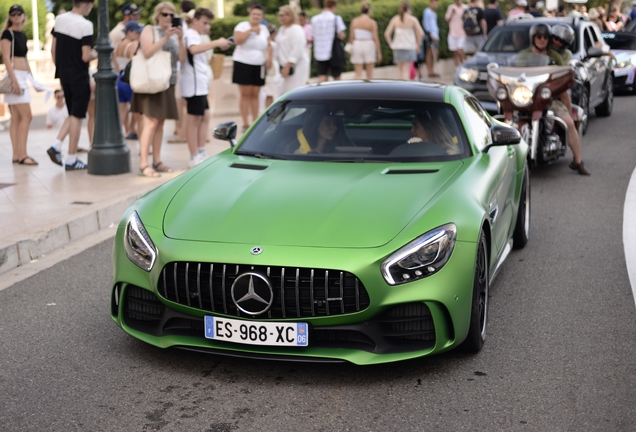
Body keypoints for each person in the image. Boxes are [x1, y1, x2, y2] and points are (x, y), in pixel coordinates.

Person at [521, 24, 590, 175]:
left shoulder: (556, 56)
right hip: (526, 97)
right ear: (533, 38)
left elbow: (564, 75)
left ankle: (578, 161)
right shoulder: (523, 54)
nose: (542, 40)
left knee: (569, 123)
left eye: (545, 37)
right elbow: (514, 71)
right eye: (539, 37)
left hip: (549, 98)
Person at [131, 2, 186, 178]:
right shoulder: (149, 30)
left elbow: (182, 59)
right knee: (150, 123)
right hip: (151, 82)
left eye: (171, 15)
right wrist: (164, 37)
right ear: (157, 16)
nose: (168, 17)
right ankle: (143, 164)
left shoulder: (175, 35)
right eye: (165, 14)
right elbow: (147, 52)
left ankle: (157, 161)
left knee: (160, 122)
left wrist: (179, 38)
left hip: (167, 83)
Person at [48, 0, 97, 170]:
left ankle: (56, 145)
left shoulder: (60, 19)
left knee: (72, 112)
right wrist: (95, 54)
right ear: (84, 4)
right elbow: (85, 56)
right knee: (77, 116)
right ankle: (71, 159)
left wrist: (61, 70)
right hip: (79, 75)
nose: (90, 9)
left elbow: (53, 50)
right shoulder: (86, 25)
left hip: (64, 74)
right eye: (91, 5)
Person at [180, 7, 231, 168]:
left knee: (205, 116)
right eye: (205, 23)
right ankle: (193, 155)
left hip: (200, 84)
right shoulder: (190, 34)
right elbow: (193, 50)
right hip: (193, 84)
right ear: (195, 21)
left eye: (209, 23)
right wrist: (216, 43)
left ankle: (201, 151)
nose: (207, 27)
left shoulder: (197, 35)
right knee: (193, 119)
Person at [2, 5, 37, 165]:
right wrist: (15, 81)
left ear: (24, 16)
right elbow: (7, 59)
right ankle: (23, 154)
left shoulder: (22, 35)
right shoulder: (7, 34)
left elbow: (25, 59)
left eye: (19, 13)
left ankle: (16, 154)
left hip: (23, 76)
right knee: (27, 116)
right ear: (10, 17)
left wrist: (33, 80)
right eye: (13, 13)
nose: (16, 16)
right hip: (15, 77)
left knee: (16, 118)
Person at [233, 3, 269, 132]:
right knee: (245, 94)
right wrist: (250, 31)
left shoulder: (264, 29)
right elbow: (237, 40)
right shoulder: (242, 26)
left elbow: (268, 44)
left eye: (259, 14)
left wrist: (269, 59)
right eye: (254, 14)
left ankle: (255, 120)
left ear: (262, 16)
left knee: (256, 94)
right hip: (243, 62)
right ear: (250, 14)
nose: (256, 16)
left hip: (259, 64)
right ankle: (245, 122)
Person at [114, 20, 142, 140]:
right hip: (128, 80)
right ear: (129, 32)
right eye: (137, 32)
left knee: (121, 110)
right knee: (137, 111)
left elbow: (115, 63)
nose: (139, 35)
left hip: (119, 78)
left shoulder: (119, 45)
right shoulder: (132, 45)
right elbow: (135, 63)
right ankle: (137, 134)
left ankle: (122, 133)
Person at [385, 2, 424, 80]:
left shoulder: (395, 19)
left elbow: (386, 34)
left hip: (397, 48)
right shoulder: (413, 20)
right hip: (409, 47)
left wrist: (391, 45)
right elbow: (421, 33)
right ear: (409, 9)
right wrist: (417, 45)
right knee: (406, 71)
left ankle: (399, 90)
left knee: (400, 70)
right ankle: (404, 90)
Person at [311, 0, 346, 83]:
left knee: (322, 75)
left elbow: (312, 36)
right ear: (333, 6)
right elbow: (341, 36)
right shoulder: (336, 18)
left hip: (320, 52)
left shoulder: (315, 19)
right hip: (333, 52)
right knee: (337, 77)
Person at [276, 6, 310, 91]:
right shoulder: (282, 29)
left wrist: (288, 66)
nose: (281, 17)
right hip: (284, 65)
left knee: (295, 90)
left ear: (290, 16)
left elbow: (298, 49)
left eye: (283, 15)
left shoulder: (296, 29)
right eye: (280, 15)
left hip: (296, 66)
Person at [348, 2, 382, 80]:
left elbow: (351, 37)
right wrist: (379, 52)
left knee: (357, 73)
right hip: (368, 44)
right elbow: (375, 38)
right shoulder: (372, 22)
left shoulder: (355, 21)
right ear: (369, 11)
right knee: (369, 74)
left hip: (357, 44)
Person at [445, 0, 468, 67]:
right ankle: (457, 68)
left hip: (462, 33)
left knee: (459, 51)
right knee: (454, 53)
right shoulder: (451, 7)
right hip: (452, 33)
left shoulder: (466, 7)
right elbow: (447, 20)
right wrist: (452, 13)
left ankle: (464, 66)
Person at [263, 24, 281, 108]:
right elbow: (269, 62)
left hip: (270, 70)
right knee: (273, 93)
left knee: (269, 94)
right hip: (272, 71)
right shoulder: (271, 45)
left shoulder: (265, 44)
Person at [422, 0, 440, 78]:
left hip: (435, 35)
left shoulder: (434, 13)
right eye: (434, 3)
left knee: (435, 53)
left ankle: (433, 70)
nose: (435, 5)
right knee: (429, 53)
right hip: (430, 36)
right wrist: (430, 34)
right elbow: (426, 24)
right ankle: (430, 71)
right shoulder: (427, 12)